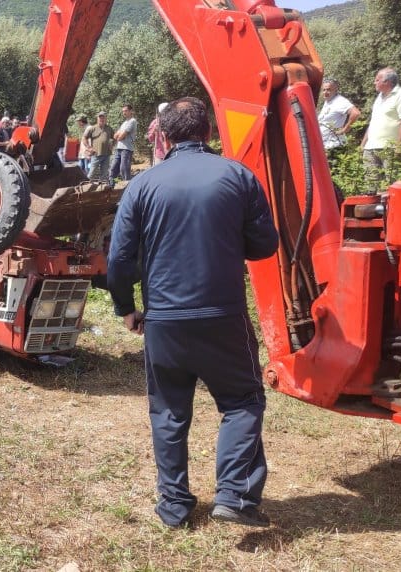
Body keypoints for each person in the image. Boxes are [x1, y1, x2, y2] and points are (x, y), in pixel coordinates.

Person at [107, 97, 279, 529]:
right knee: (242, 402)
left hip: (164, 320)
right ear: (208, 132)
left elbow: (119, 258)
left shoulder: (143, 185)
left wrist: (126, 308)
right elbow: (265, 245)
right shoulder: (238, 175)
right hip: (223, 316)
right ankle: (235, 495)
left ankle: (174, 506)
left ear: (162, 135)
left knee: (167, 412)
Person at [360, 67, 401, 194]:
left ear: (387, 82)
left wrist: (399, 146)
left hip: (389, 148)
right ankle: (374, 211)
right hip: (370, 147)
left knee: (393, 182)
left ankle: (393, 211)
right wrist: (363, 144)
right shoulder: (379, 97)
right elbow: (373, 121)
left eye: (377, 80)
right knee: (370, 184)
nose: (374, 82)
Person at [317, 78, 361, 152]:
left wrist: (345, 129)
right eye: (323, 90)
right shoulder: (328, 101)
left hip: (335, 146)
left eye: (328, 89)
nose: (325, 92)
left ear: (335, 90)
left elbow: (356, 113)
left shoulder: (340, 101)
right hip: (326, 146)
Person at [83, 111, 114, 182]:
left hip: (107, 154)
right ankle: (86, 186)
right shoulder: (92, 128)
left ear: (106, 119)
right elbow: (84, 138)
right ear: (97, 118)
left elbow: (114, 138)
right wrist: (89, 148)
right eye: (100, 117)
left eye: (103, 117)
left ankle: (102, 189)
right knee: (92, 173)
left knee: (104, 173)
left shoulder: (109, 128)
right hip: (96, 154)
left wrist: (112, 144)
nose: (102, 119)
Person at [110, 104, 138, 182]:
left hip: (127, 148)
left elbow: (121, 136)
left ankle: (127, 186)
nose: (124, 113)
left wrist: (120, 135)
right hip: (119, 148)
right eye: (123, 111)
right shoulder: (124, 123)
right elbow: (115, 136)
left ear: (131, 111)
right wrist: (120, 135)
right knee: (113, 168)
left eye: (126, 111)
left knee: (124, 169)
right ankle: (112, 185)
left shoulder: (133, 121)